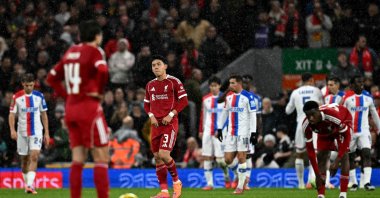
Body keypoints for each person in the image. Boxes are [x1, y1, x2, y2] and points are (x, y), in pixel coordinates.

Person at [46, 20, 110, 198]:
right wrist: (98, 91)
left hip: (71, 109)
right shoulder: (95, 51)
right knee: (101, 156)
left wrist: (67, 96)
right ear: (97, 36)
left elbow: (51, 78)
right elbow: (103, 71)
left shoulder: (71, 51)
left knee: (78, 159)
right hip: (89, 107)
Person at [144, 54, 189, 198]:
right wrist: (151, 116)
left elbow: (184, 101)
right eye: (153, 65)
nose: (156, 67)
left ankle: (177, 182)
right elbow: (146, 104)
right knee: (157, 157)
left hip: (169, 123)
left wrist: (171, 114)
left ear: (165, 66)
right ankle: (164, 191)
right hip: (156, 124)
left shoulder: (174, 82)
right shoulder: (150, 85)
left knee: (164, 154)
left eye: (158, 64)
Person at [9, 73, 50, 194]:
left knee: (35, 155)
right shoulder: (16, 97)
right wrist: (12, 130)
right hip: (22, 132)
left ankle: (30, 185)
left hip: (37, 131)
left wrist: (46, 133)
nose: (29, 88)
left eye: (31, 85)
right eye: (27, 85)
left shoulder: (39, 96)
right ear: (23, 84)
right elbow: (11, 114)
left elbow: (44, 114)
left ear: (34, 84)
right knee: (25, 160)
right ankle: (27, 184)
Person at [217, 74, 257, 195]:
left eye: (232, 83)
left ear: (239, 83)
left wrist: (253, 133)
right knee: (227, 160)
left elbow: (253, 116)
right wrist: (219, 128)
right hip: (231, 133)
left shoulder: (248, 97)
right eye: (230, 83)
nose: (230, 86)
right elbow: (224, 113)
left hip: (243, 133)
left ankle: (240, 186)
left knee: (241, 157)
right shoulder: (229, 97)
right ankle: (241, 176)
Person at [302, 101, 352, 198]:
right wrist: (317, 175)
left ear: (318, 110)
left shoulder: (332, 116)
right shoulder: (306, 125)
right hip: (324, 131)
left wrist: (337, 161)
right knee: (321, 156)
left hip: (342, 122)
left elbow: (346, 136)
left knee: (344, 155)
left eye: (313, 115)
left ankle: (343, 194)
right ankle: (321, 195)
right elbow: (311, 152)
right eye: (308, 116)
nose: (311, 118)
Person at [286, 72, 324, 189]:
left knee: (300, 153)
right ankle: (312, 179)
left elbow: (288, 110)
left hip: (301, 124)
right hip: (314, 123)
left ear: (301, 80)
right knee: (315, 152)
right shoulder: (317, 91)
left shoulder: (295, 92)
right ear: (311, 80)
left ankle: (301, 184)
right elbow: (322, 107)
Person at [342, 75, 380, 191]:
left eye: (362, 82)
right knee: (350, 156)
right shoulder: (348, 100)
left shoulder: (368, 99)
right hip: (350, 132)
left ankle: (367, 183)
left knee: (367, 153)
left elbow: (374, 115)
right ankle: (353, 183)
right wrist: (341, 130)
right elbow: (342, 115)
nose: (361, 84)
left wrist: (379, 128)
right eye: (358, 82)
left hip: (364, 131)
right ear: (352, 85)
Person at [199, 76, 230, 190]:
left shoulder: (226, 98)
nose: (213, 88)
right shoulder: (206, 99)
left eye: (215, 86)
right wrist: (201, 130)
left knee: (220, 160)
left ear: (220, 86)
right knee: (207, 157)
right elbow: (203, 116)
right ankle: (210, 184)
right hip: (208, 131)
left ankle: (226, 176)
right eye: (211, 86)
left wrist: (222, 130)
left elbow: (228, 116)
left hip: (220, 133)